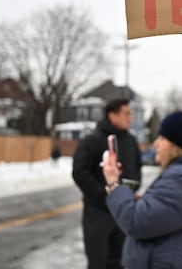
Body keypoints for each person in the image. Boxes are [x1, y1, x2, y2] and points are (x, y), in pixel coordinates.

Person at [103, 110, 182, 269]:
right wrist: (141, 202)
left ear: (177, 145)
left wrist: (113, 183)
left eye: (162, 138)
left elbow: (135, 221)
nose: (155, 143)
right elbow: (163, 215)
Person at [72, 98, 142, 269]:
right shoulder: (92, 140)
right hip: (98, 213)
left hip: (123, 212)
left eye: (130, 114)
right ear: (112, 115)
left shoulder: (131, 141)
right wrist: (106, 195)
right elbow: (80, 172)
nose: (130, 118)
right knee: (98, 261)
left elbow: (137, 167)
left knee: (120, 260)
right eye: (126, 113)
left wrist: (132, 189)